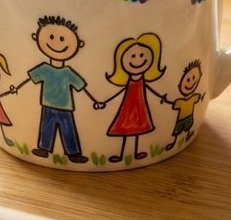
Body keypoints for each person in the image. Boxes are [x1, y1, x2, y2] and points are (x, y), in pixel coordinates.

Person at [11, 15, 99, 163]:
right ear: (35, 37)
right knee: (47, 127)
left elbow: (82, 87)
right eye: (51, 37)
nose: (57, 43)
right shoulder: (44, 69)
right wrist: (16, 88)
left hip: (65, 107)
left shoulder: (68, 73)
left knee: (68, 129)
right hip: (48, 105)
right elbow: (29, 80)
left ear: (79, 44)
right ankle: (44, 149)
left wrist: (95, 100)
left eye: (63, 39)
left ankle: (73, 153)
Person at [101, 33, 166, 163]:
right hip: (128, 108)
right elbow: (120, 92)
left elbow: (150, 89)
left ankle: (135, 153)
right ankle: (120, 155)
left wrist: (161, 97)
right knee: (125, 129)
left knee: (137, 130)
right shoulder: (129, 81)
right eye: (133, 56)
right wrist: (105, 102)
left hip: (139, 108)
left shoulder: (142, 80)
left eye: (142, 55)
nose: (138, 59)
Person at [166, 59, 205, 150]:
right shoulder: (180, 101)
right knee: (177, 132)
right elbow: (173, 104)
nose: (191, 82)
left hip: (189, 117)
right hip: (181, 120)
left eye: (194, 79)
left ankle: (187, 135)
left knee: (187, 127)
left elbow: (199, 97)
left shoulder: (192, 98)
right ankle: (174, 143)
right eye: (188, 79)